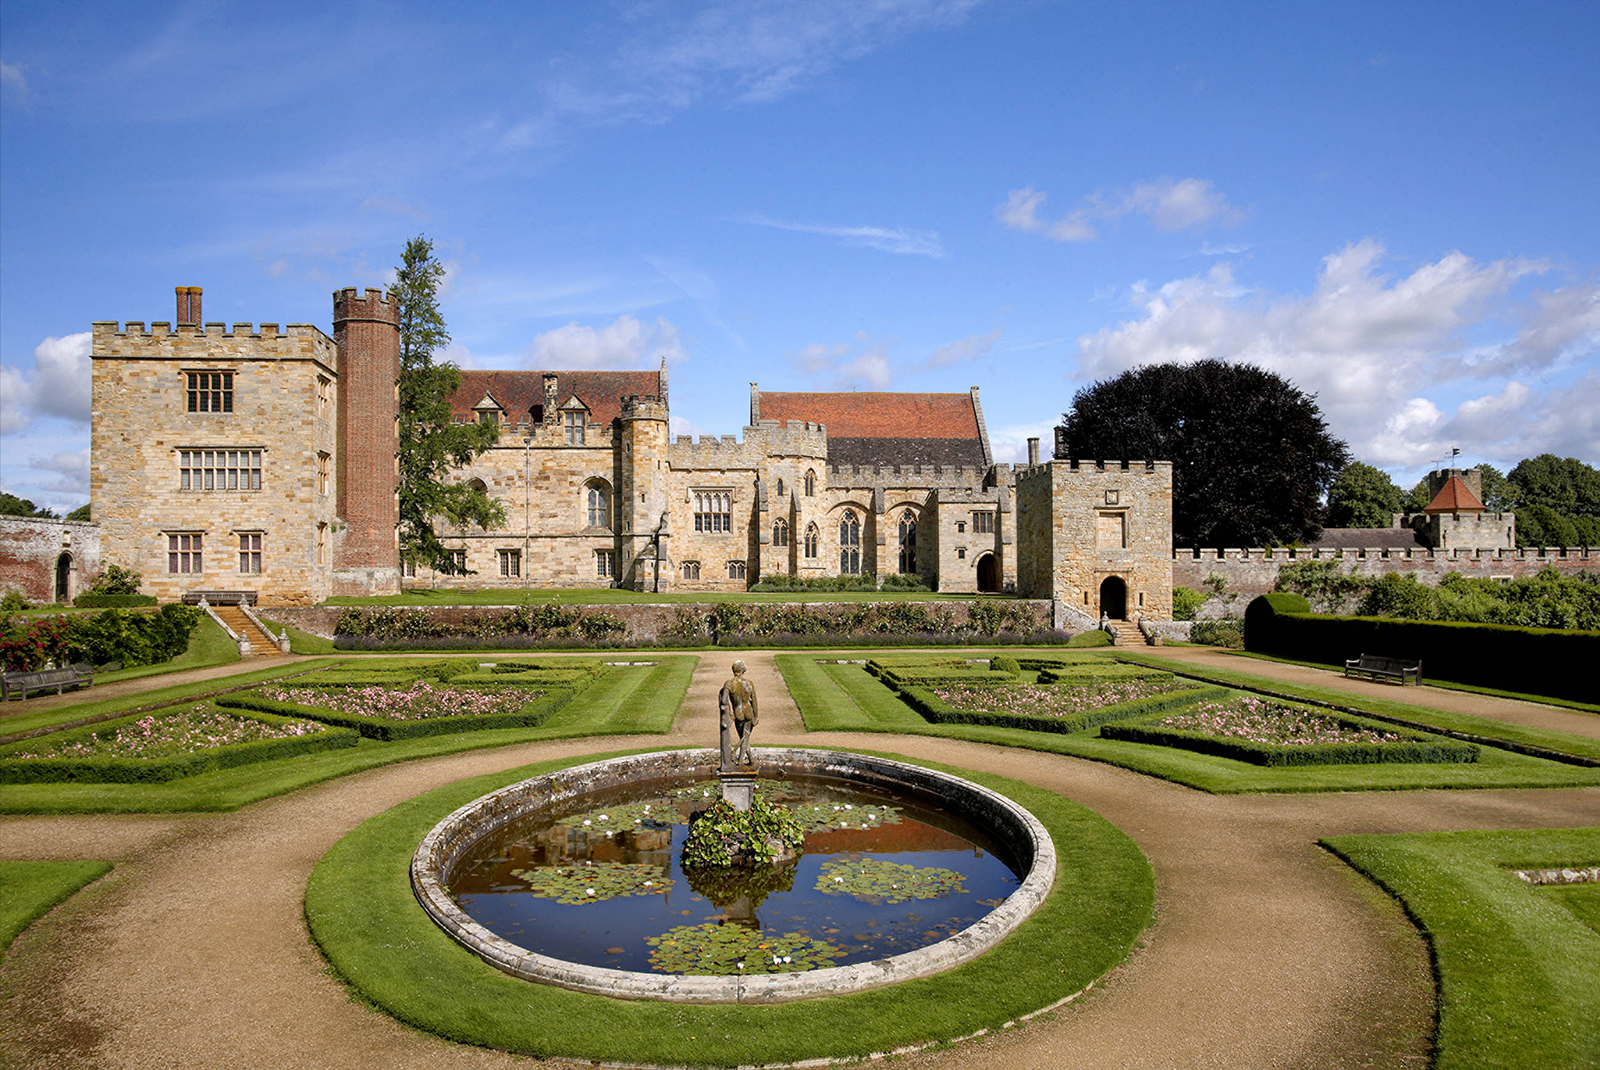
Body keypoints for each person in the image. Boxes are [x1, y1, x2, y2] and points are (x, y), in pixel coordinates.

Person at [718, 660, 758, 769]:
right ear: (743, 670)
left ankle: (743, 760)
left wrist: (731, 712)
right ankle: (747, 760)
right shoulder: (749, 683)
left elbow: (724, 701)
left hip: (738, 713)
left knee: (744, 737)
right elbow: (754, 701)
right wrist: (756, 716)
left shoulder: (729, 684)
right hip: (749, 712)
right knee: (745, 737)